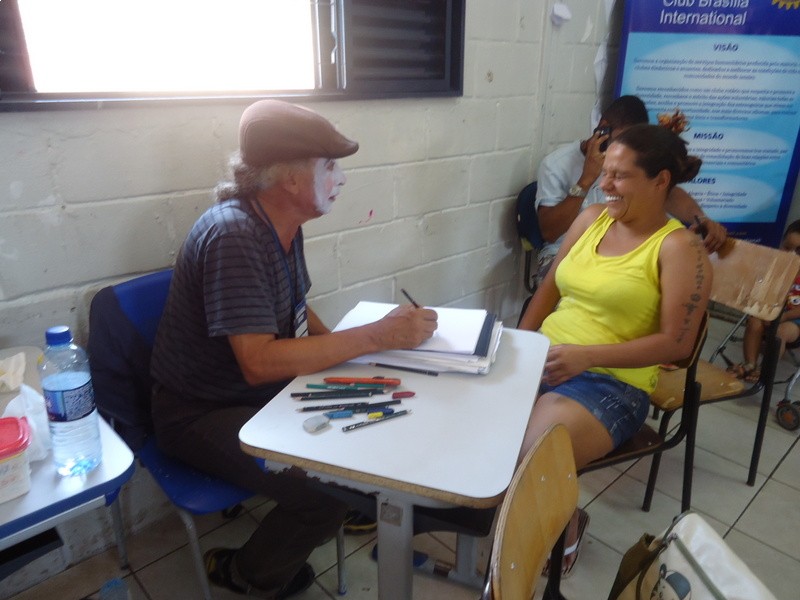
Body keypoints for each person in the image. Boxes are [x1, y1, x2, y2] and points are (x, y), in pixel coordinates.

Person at [149, 99, 438, 598]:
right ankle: (247, 573)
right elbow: (259, 362)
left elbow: (295, 308)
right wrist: (376, 336)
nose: (341, 179)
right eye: (329, 167)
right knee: (324, 492)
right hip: (197, 412)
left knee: (369, 414)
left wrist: (361, 354)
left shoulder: (280, 224)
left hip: (248, 393)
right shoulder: (234, 235)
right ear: (289, 179)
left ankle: (354, 504)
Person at [518, 124, 712, 576]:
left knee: (535, 451)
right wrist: (518, 346)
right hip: (546, 358)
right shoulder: (592, 219)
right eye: (605, 171)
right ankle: (538, 514)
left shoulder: (680, 248)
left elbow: (677, 343)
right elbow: (549, 288)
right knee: (473, 420)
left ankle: (558, 528)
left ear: (661, 181)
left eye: (619, 175)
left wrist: (588, 356)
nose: (604, 184)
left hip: (612, 382)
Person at [534, 95, 727, 284]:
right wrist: (586, 179)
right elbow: (550, 232)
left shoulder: (630, 159)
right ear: (602, 128)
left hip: (617, 252)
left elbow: (668, 193)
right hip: (564, 253)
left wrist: (701, 219)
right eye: (622, 140)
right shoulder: (555, 165)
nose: (625, 148)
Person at [726, 220, 800, 383]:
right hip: (773, 312)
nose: (792, 255)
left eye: (799, 251)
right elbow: (762, 293)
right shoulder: (775, 268)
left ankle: (764, 369)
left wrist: (783, 317)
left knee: (781, 332)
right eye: (787, 248)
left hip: (794, 321)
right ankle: (750, 363)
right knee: (754, 321)